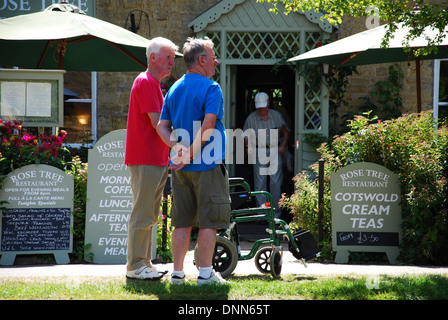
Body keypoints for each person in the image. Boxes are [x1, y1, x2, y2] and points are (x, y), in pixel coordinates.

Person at [157, 37, 230, 285]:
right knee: (210, 221)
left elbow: (162, 126)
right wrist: (188, 153)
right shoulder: (212, 88)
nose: (216, 61)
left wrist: (177, 149)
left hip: (180, 167)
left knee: (182, 221)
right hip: (207, 165)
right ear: (201, 60)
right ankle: (206, 275)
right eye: (213, 56)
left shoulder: (175, 88)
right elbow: (208, 125)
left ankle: (177, 275)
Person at [124, 37, 178, 280]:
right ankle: (135, 266)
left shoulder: (152, 84)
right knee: (143, 214)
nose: (172, 64)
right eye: (168, 58)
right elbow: (158, 124)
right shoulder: (145, 82)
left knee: (150, 215)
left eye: (173, 59)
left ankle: (144, 263)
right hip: (145, 158)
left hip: (155, 159)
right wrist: (181, 146)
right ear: (153, 57)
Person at [243, 92, 290, 218]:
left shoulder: (276, 116)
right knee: (260, 184)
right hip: (259, 150)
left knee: (275, 183)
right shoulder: (251, 119)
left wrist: (283, 145)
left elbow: (286, 132)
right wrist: (249, 146)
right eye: (259, 107)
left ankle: (276, 214)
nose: (261, 109)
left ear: (268, 103)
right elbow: (246, 136)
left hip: (274, 150)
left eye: (263, 106)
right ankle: (262, 214)